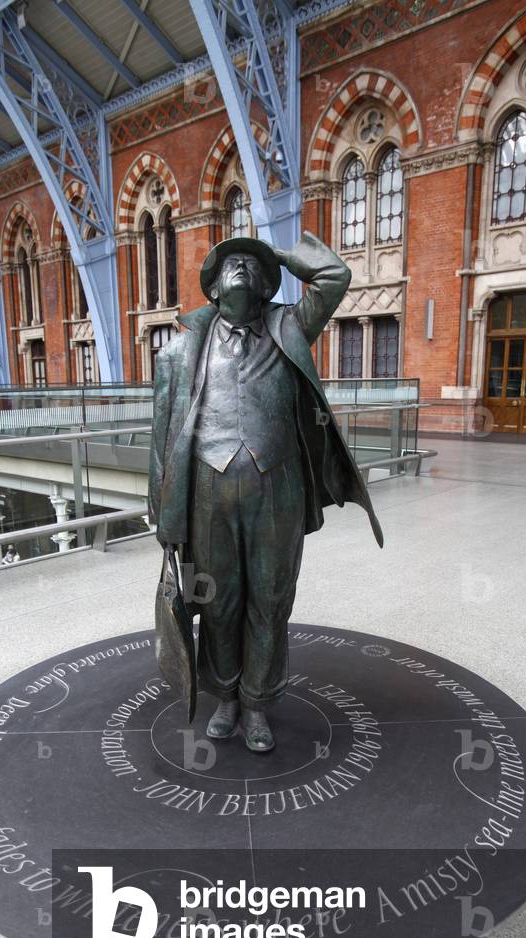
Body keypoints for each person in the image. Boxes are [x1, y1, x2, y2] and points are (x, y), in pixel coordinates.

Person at [149, 230, 383, 753]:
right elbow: (162, 439)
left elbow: (334, 276)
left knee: (271, 601)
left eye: (252, 267)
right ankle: (226, 697)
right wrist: (163, 517)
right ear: (211, 289)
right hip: (208, 493)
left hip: (277, 489)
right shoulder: (180, 351)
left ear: (266, 286)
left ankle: (257, 703)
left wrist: (274, 253)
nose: (242, 269)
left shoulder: (290, 327)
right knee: (219, 603)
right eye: (231, 263)